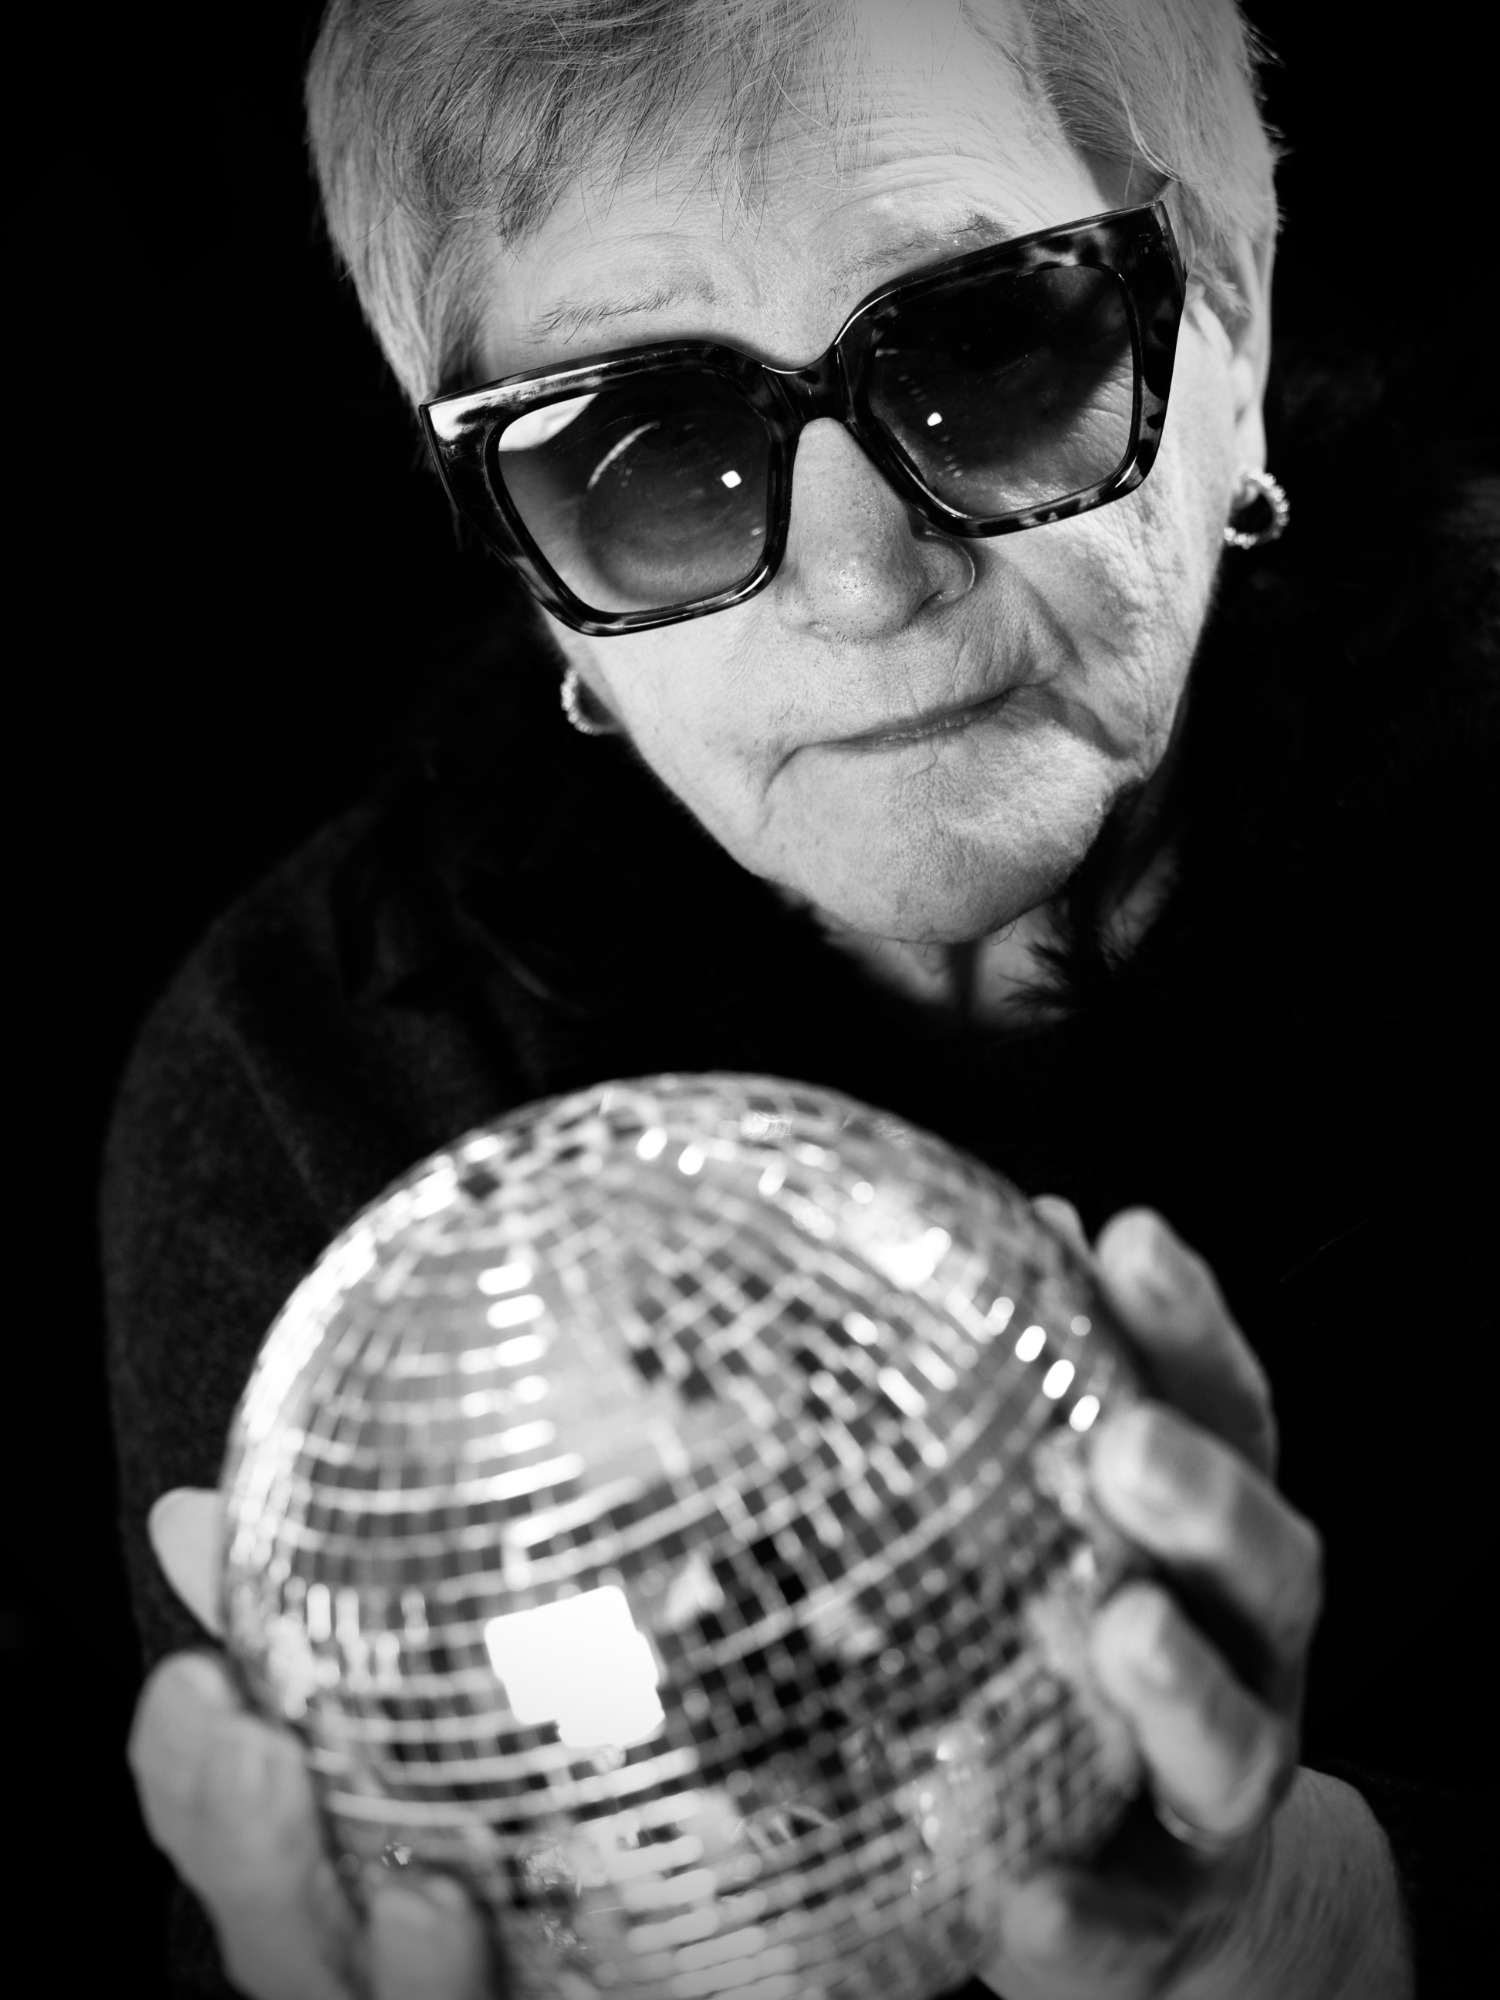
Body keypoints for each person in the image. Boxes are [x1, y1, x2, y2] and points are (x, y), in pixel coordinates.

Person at [108, 1, 1494, 1995]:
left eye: (994, 347)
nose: (859, 584)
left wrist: (1348, 1926)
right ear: (533, 574)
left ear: (1233, 326)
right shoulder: (310, 1073)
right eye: (648, 454)